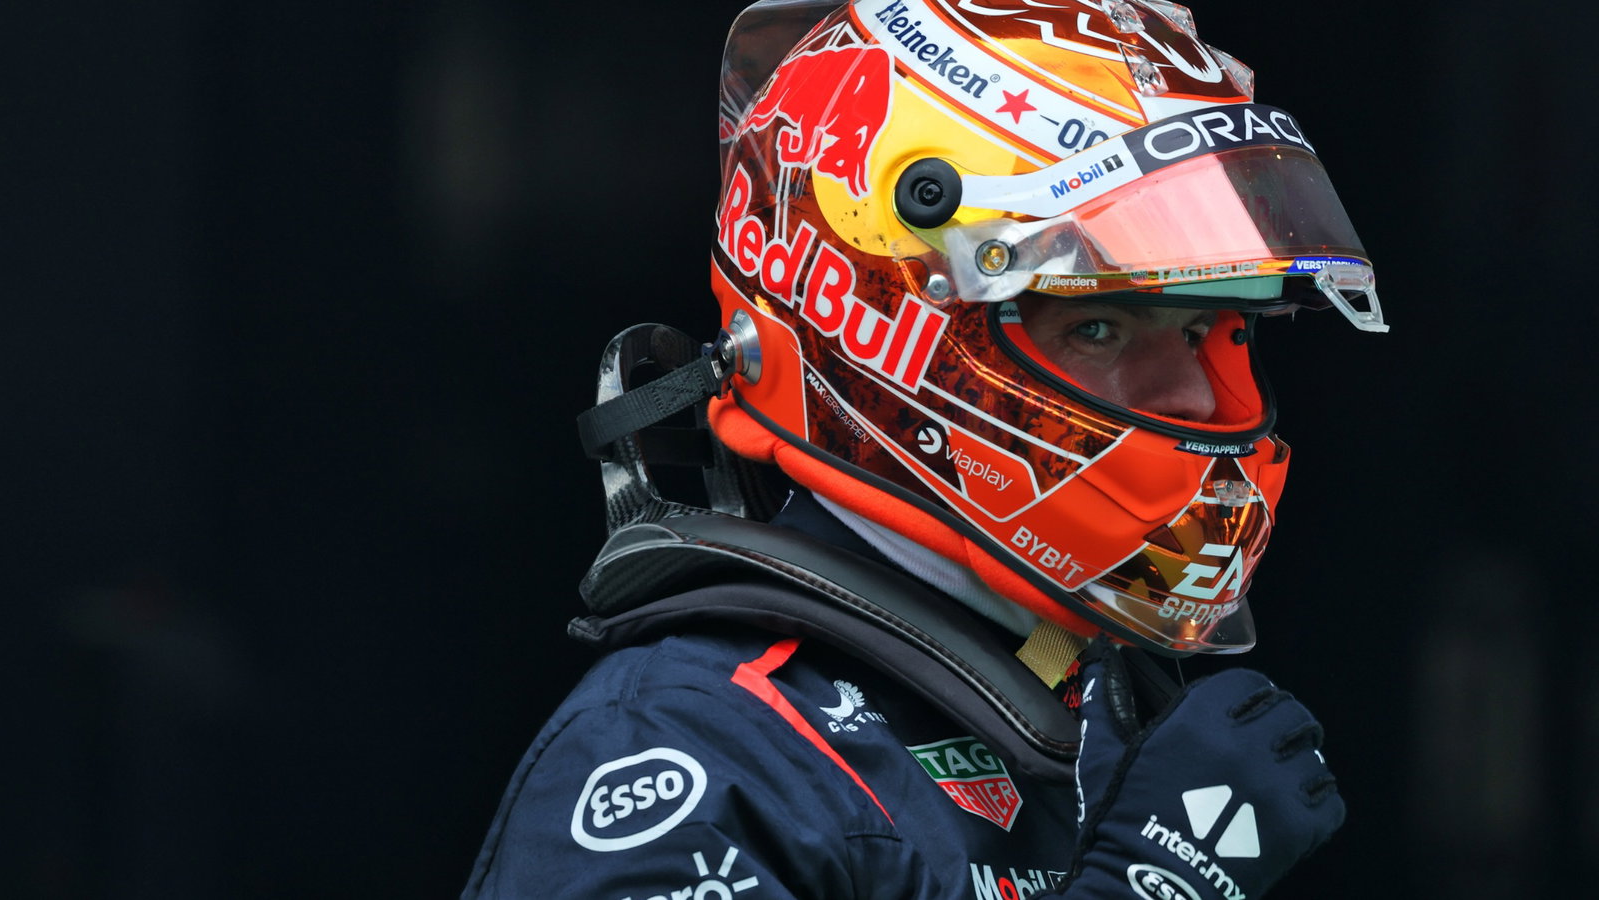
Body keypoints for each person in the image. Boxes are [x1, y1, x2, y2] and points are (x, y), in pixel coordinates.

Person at [463, 0, 1386, 896]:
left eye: (1204, 334)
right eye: (1102, 328)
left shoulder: (1094, 697)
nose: (1193, 398)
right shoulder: (691, 747)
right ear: (881, 327)